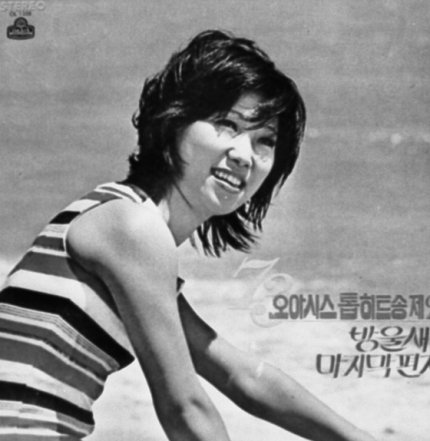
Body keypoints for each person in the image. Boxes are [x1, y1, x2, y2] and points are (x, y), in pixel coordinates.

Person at [0, 30, 377, 441]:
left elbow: (243, 377)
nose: (245, 155)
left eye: (264, 140)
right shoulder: (132, 228)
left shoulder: (124, 226)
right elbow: (184, 409)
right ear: (175, 121)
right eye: (226, 124)